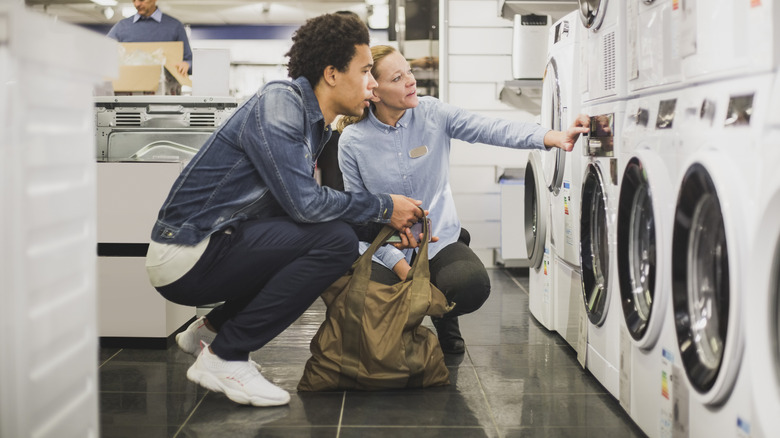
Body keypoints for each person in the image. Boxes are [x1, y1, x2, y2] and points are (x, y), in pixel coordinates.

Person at [144, 15, 424, 407]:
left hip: (212, 246)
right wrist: (383, 207)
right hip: (187, 251)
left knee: (327, 239)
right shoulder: (281, 103)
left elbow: (299, 211)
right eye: (365, 71)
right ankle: (226, 355)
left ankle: (208, 332)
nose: (373, 83)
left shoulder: (314, 125)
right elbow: (306, 206)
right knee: (335, 244)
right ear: (331, 73)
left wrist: (385, 226)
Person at [337, 45, 589, 354]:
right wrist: (403, 269)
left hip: (438, 240)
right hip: (386, 246)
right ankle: (404, 325)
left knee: (470, 285)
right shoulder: (353, 142)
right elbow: (359, 214)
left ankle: (445, 318)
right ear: (374, 92)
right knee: (363, 302)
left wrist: (551, 136)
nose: (411, 81)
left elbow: (490, 129)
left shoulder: (432, 113)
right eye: (398, 77)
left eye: (410, 72)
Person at [107, 0, 192, 76]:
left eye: (141, 0)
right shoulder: (121, 27)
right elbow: (104, 53)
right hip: (130, 87)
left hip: (166, 89)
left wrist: (187, 64)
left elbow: (190, 61)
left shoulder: (175, 26)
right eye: (133, 0)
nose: (137, 4)